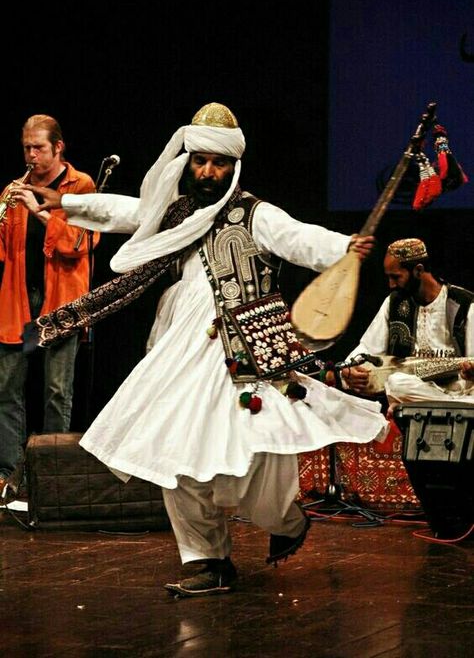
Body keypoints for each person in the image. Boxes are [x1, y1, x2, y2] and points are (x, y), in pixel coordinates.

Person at [22, 102, 388, 597]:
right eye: (200, 161)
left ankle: (284, 519)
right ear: (187, 163)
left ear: (233, 166)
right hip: (178, 350)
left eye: (219, 163)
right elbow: (127, 210)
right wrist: (65, 204)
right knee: (174, 452)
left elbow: (298, 238)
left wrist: (344, 246)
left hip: (244, 351)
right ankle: (208, 560)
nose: (208, 171)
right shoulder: (174, 214)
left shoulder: (254, 214)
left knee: (253, 453)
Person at [0, 114, 99, 501]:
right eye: (26, 147)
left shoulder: (82, 186)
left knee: (57, 390)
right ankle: (9, 475)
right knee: (8, 389)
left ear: (58, 147)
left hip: (62, 303)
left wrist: (39, 210)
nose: (31, 155)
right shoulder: (13, 189)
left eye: (38, 147)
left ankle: (52, 477)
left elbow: (80, 244)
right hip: (18, 302)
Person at [341, 238, 474, 404]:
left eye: (396, 277)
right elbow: (368, 348)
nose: (391, 284)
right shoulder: (395, 302)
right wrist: (347, 370)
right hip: (416, 390)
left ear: (418, 270)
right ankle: (448, 405)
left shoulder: (463, 303)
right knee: (396, 383)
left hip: (462, 393)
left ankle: (453, 405)